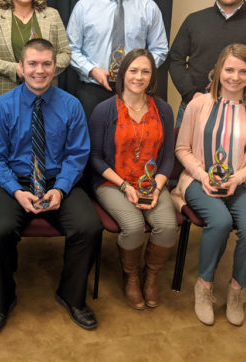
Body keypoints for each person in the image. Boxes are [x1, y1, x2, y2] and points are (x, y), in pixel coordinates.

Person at [0, 38, 103, 336]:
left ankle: (72, 296)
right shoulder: (2, 106)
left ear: (55, 67)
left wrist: (61, 189)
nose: (39, 70)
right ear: (21, 68)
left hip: (58, 179)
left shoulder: (71, 106)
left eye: (46, 64)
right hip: (15, 181)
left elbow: (77, 154)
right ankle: (2, 300)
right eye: (32, 64)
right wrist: (16, 190)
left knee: (89, 226)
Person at [171, 43, 246, 327]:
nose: (235, 77)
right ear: (218, 71)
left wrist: (238, 178)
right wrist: (202, 175)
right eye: (229, 69)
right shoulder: (198, 104)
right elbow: (182, 149)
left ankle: (237, 290)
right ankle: (204, 287)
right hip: (197, 179)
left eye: (243, 71)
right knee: (220, 221)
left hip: (242, 183)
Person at [89, 49, 177, 310]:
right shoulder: (104, 111)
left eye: (145, 71)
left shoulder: (163, 109)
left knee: (167, 226)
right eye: (133, 70)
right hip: (113, 182)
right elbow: (94, 158)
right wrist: (125, 186)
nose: (139, 77)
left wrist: (158, 187)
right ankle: (131, 277)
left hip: (153, 183)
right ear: (122, 74)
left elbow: (168, 158)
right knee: (134, 226)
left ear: (152, 76)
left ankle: (149, 277)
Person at [67, 0, 168, 120]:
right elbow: (70, 49)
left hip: (136, 91)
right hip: (93, 90)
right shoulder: (84, 6)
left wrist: (138, 72)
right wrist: (92, 70)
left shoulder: (149, 8)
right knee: (93, 146)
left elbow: (159, 50)